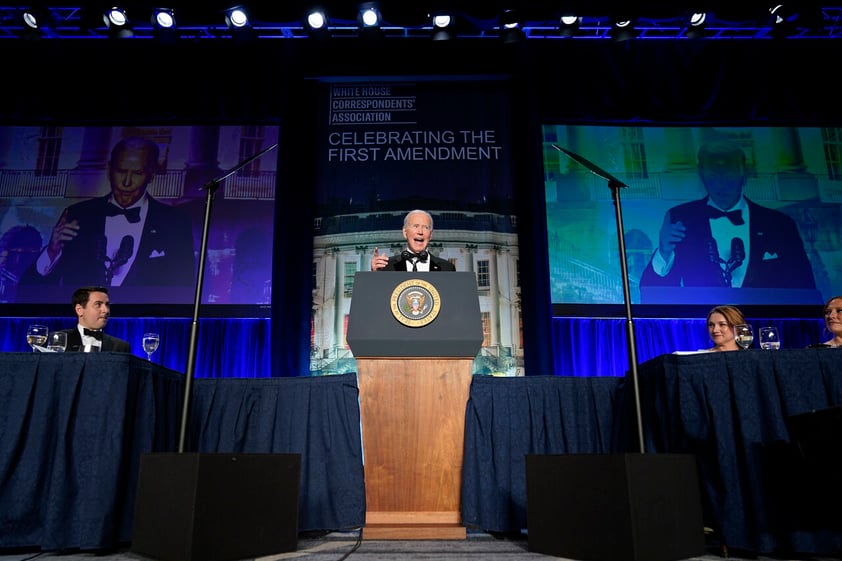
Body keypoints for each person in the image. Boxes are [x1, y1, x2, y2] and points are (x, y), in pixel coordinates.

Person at [22, 136, 195, 290]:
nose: (126, 182)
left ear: (152, 175)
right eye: (120, 171)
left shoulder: (175, 223)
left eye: (137, 173)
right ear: (109, 169)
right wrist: (52, 251)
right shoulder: (78, 215)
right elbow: (29, 289)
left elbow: (185, 288)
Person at [640, 140, 815, 290]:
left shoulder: (779, 224)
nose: (721, 184)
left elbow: (804, 286)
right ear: (702, 175)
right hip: (703, 325)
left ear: (743, 174)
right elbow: (652, 292)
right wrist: (663, 251)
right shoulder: (681, 218)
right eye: (713, 176)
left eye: (729, 175)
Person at [370, 209, 455, 272]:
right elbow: (374, 294)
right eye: (416, 226)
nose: (420, 232)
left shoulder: (447, 268)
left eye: (425, 227)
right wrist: (374, 275)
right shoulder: (387, 267)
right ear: (405, 232)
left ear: (430, 235)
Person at [54, 286, 131, 353]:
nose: (106, 310)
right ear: (79, 310)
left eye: (107, 305)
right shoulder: (58, 339)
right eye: (98, 305)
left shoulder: (121, 347)